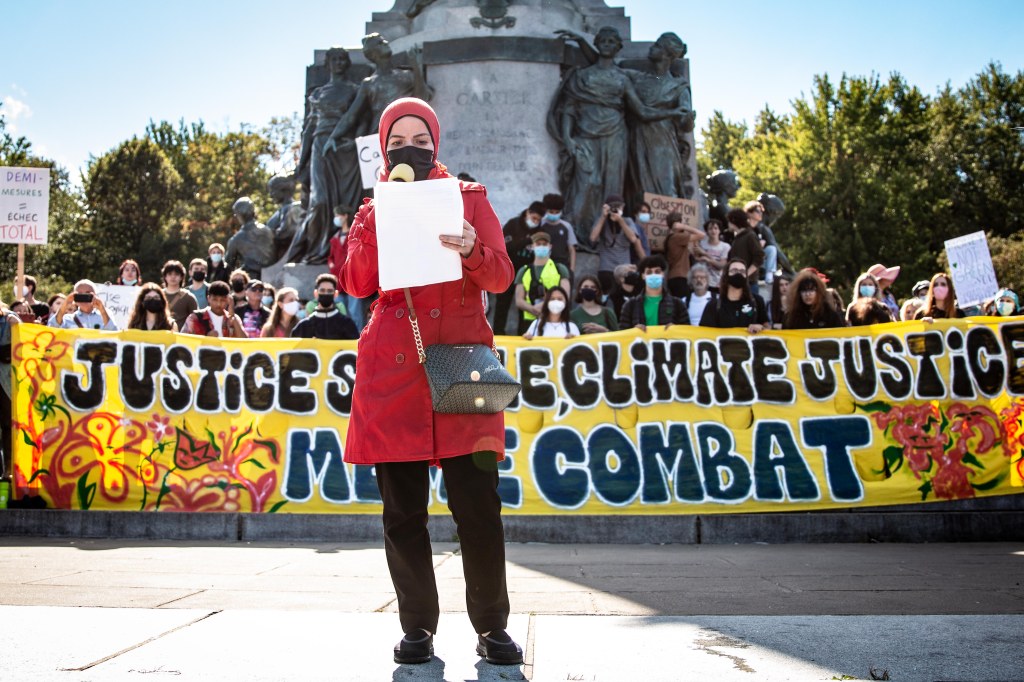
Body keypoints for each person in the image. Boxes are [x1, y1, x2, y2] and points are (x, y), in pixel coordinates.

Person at [338, 97, 522, 666]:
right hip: (393, 372)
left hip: (463, 363)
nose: (409, 150)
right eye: (397, 142)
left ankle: (492, 627)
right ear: (383, 150)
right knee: (402, 514)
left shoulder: (469, 198)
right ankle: (417, 627)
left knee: (478, 507)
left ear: (435, 144)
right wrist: (378, 216)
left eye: (420, 140)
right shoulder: (372, 208)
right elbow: (356, 282)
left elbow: (501, 275)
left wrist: (471, 248)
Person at [494, 201, 545, 335]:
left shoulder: (540, 231)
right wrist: (526, 241)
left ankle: (523, 335)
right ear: (528, 212)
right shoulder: (513, 224)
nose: (535, 222)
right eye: (533, 218)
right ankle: (498, 334)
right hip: (508, 272)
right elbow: (504, 246)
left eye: (538, 220)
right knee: (502, 305)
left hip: (527, 274)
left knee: (525, 307)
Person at [514, 232, 571, 335]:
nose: (541, 246)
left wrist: (544, 306)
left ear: (550, 246)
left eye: (544, 244)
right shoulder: (523, 270)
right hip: (529, 321)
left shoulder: (560, 269)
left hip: (554, 319)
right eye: (538, 244)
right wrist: (532, 309)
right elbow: (519, 300)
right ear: (532, 246)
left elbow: (566, 295)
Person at [590, 194, 646, 295]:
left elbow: (633, 238)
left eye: (618, 207)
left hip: (624, 268)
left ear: (623, 208)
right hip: (606, 268)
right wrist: (603, 216)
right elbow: (593, 238)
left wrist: (620, 221)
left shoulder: (628, 221)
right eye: (613, 207)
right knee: (608, 295)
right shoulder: (602, 221)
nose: (615, 209)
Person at [620, 255, 689, 331]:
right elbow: (623, 332)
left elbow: (686, 331)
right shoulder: (631, 305)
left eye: (657, 272)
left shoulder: (678, 304)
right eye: (649, 272)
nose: (653, 275)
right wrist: (634, 331)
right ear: (643, 276)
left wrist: (675, 329)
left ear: (663, 274)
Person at [328, 204, 369, 331]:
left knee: (355, 311)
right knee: (342, 311)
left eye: (337, 215)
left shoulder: (354, 234)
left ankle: (359, 337)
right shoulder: (335, 237)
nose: (336, 218)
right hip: (338, 280)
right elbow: (330, 256)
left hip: (353, 278)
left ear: (345, 216)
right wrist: (331, 264)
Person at [699, 258, 767, 333]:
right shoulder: (713, 305)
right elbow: (704, 333)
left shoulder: (757, 301)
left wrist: (761, 327)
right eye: (734, 270)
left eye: (742, 271)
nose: (738, 274)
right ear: (726, 275)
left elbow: (768, 328)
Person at [291, 274, 358, 340]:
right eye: (322, 290)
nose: (326, 294)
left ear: (336, 294)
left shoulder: (347, 324)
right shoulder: (304, 326)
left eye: (330, 291)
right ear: (316, 293)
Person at [180, 281, 246, 338]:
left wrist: (233, 316)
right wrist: (206, 339)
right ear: (208, 299)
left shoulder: (233, 319)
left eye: (222, 300)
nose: (218, 304)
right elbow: (183, 341)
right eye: (215, 300)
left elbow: (245, 342)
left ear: (228, 300)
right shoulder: (195, 318)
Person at [663, 210, 705, 298]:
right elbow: (702, 235)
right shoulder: (677, 237)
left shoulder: (671, 237)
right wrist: (685, 227)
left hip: (675, 277)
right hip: (680, 277)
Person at [724, 208, 765, 297]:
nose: (728, 224)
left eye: (729, 221)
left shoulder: (750, 236)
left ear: (734, 221)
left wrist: (746, 274)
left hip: (749, 284)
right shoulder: (737, 238)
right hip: (737, 283)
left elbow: (759, 257)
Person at [49, 279, 117, 330]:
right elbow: (52, 328)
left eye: (88, 293)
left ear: (95, 295)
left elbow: (114, 332)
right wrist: (66, 303)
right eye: (80, 294)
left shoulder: (106, 314)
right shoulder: (67, 319)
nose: (84, 296)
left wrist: (101, 308)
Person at [540, 193, 577, 274]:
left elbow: (572, 250)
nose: (554, 214)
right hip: (543, 264)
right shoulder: (540, 225)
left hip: (562, 265)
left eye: (557, 212)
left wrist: (572, 270)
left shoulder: (566, 226)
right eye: (551, 212)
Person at [693, 219, 730, 292]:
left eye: (716, 228)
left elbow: (721, 266)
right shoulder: (702, 244)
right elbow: (696, 259)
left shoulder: (725, 246)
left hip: (718, 283)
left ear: (719, 230)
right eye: (710, 229)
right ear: (706, 231)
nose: (713, 231)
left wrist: (705, 255)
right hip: (703, 282)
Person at [161, 260, 198, 331]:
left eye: (176, 274)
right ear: (165, 276)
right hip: (161, 334)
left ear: (181, 277)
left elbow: (195, 320)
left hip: (181, 336)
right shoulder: (159, 295)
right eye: (170, 274)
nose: (173, 277)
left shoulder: (188, 297)